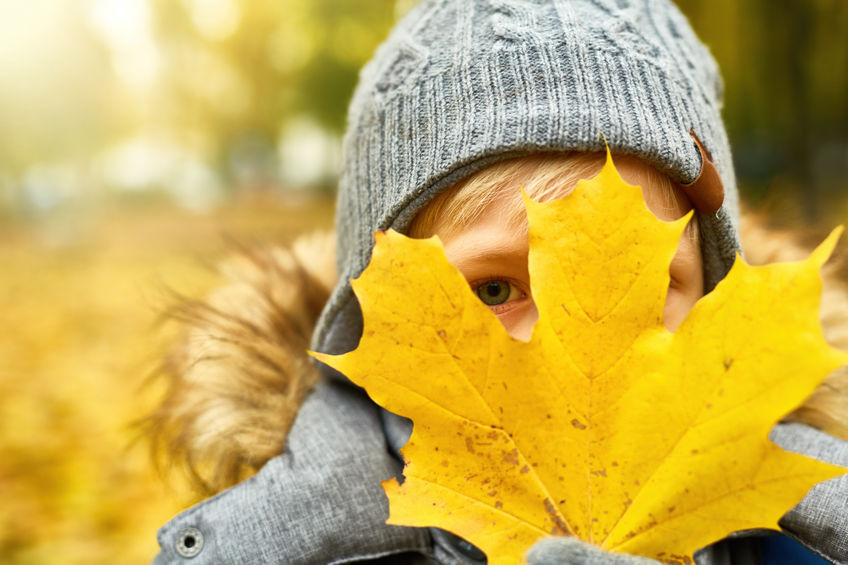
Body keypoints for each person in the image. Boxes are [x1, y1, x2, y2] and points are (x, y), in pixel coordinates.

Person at [148, 1, 848, 563]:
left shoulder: (798, 521)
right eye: (492, 290)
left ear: (714, 306)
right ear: (381, 319)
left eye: (640, 283)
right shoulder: (300, 539)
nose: (566, 355)